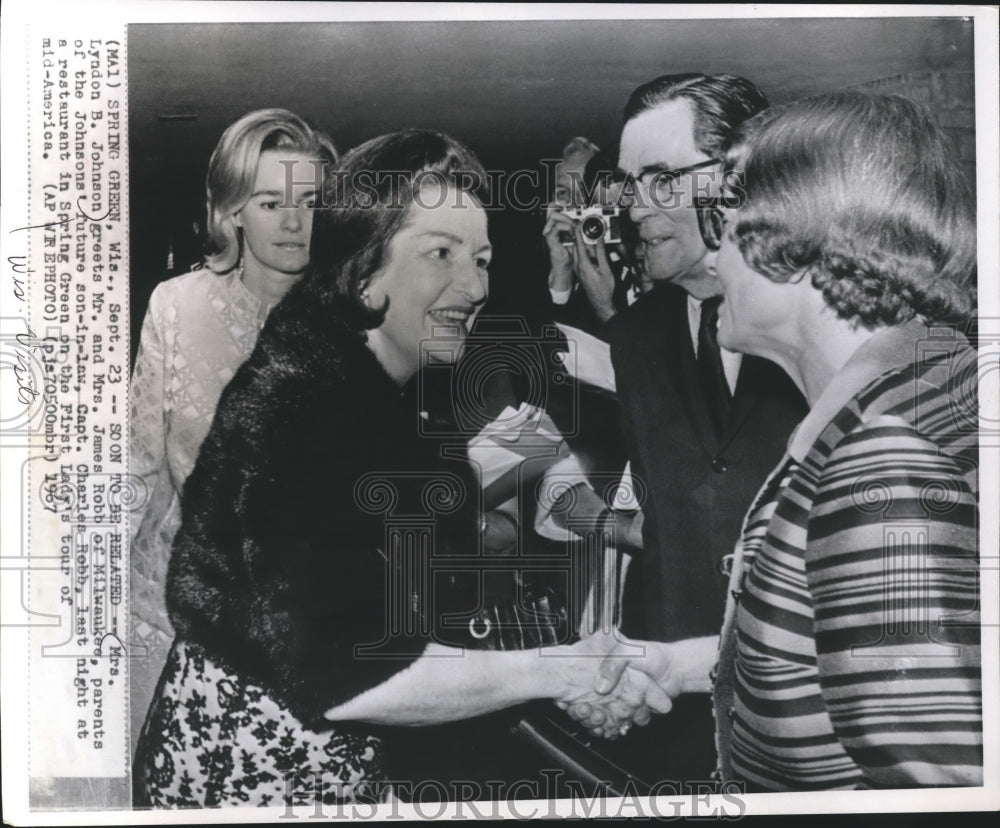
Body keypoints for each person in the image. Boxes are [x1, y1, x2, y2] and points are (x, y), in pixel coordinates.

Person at [133, 129, 669, 808]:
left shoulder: (374, 387)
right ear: (364, 267)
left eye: (481, 260)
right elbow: (352, 675)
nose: (474, 286)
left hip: (324, 769)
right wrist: (559, 671)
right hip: (243, 780)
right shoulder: (310, 406)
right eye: (440, 254)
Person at [586, 91, 982, 790]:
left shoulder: (878, 460)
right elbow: (845, 657)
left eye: (728, 227)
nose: (716, 260)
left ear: (795, 247)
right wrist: (684, 666)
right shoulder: (906, 395)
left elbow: (939, 789)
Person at [588, 74, 810, 782]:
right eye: (629, 185)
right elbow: (661, 523)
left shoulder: (819, 317)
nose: (634, 207)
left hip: (808, 712)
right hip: (673, 720)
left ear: (737, 177)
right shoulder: (631, 337)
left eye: (662, 179)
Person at [128, 108, 337, 751]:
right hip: (163, 614)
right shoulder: (176, 306)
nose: (295, 222)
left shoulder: (355, 325)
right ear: (233, 213)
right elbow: (137, 462)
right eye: (272, 203)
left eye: (310, 202)